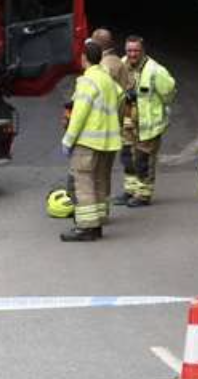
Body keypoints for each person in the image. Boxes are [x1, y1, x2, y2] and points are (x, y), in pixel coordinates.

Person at [60, 40, 121, 241]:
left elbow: (79, 113)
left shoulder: (87, 80)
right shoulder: (107, 79)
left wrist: (68, 139)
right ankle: (98, 222)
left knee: (84, 182)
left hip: (88, 142)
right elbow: (121, 98)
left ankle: (86, 228)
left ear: (84, 58)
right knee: (100, 181)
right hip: (108, 142)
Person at [116, 35, 176, 207]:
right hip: (127, 123)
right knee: (128, 158)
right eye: (129, 50)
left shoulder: (155, 70)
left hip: (148, 127)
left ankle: (143, 195)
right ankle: (130, 190)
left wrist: (157, 108)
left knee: (143, 160)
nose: (132, 54)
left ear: (143, 50)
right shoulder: (122, 64)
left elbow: (169, 93)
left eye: (136, 50)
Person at [89, 28, 130, 223]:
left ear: (97, 44)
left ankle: (96, 212)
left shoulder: (104, 67)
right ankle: (102, 210)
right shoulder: (119, 62)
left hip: (102, 127)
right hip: (114, 125)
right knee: (105, 171)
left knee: (95, 172)